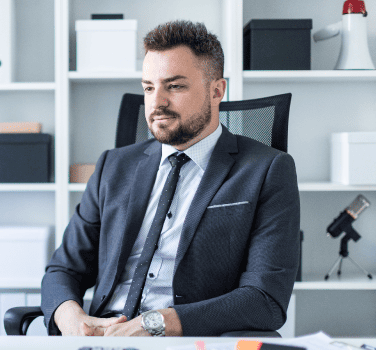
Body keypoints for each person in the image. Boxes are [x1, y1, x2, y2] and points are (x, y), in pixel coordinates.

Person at [41, 20, 300, 337]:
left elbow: (265, 301)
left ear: (216, 90)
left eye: (174, 86)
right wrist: (73, 320)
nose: (156, 102)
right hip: (105, 337)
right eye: (149, 87)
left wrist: (156, 324)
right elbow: (64, 268)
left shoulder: (267, 169)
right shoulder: (114, 165)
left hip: (191, 337)